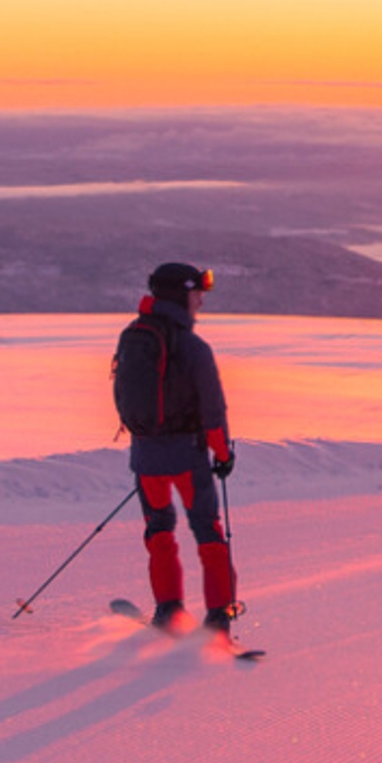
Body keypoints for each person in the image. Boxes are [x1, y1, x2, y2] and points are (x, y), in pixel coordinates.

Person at [111, 260, 240, 636]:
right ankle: (218, 618)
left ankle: (167, 611)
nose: (201, 301)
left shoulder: (133, 335)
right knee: (209, 534)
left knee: (158, 532)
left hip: (145, 458)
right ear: (183, 295)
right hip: (187, 458)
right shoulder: (193, 347)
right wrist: (224, 454)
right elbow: (213, 412)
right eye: (198, 293)